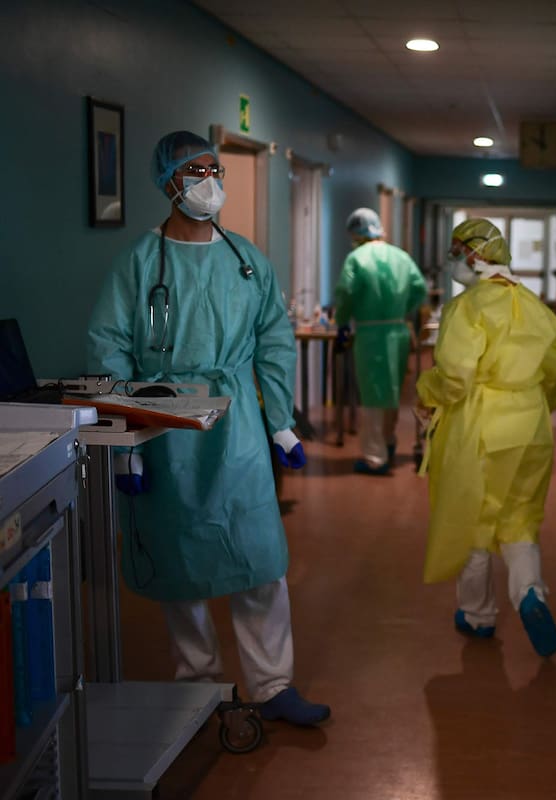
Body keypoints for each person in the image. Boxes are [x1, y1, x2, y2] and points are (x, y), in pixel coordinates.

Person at [87, 130, 330, 726]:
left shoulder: (246, 261)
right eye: (196, 172)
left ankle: (273, 686)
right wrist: (128, 446)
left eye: (215, 169)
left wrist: (281, 424)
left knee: (260, 556)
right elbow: (109, 351)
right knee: (179, 561)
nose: (210, 181)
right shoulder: (139, 264)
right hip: (165, 424)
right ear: (168, 182)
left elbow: (274, 343)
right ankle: (197, 685)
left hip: (238, 426)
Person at [416, 219, 556, 657]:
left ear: (474, 255)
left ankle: (478, 615)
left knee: (476, 520)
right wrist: (536, 410)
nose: (453, 262)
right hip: (532, 424)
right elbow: (553, 377)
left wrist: (426, 392)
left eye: (456, 251)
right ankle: (530, 594)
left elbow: (455, 378)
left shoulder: (468, 308)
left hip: (482, 424)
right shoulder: (536, 307)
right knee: (521, 518)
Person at [335, 208, 428, 475]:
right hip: (398, 331)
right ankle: (388, 442)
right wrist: (402, 309)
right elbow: (419, 289)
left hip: (370, 334)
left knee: (373, 394)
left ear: (355, 232)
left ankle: (375, 457)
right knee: (392, 391)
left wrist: (343, 322)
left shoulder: (356, 259)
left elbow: (345, 293)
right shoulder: (401, 257)